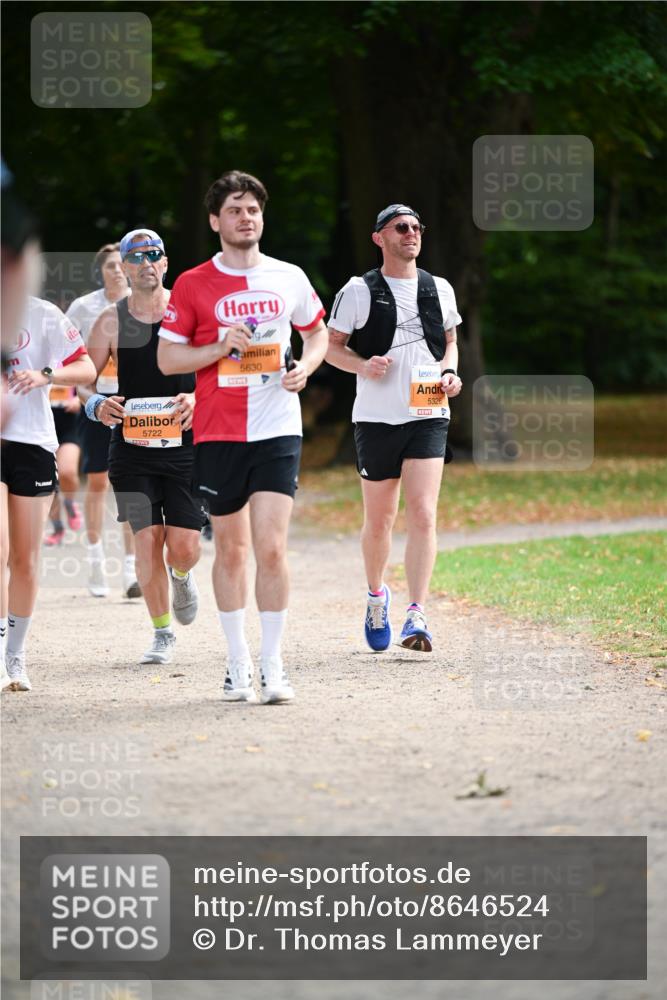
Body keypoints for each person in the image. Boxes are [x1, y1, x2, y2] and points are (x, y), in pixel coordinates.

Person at [157, 170, 328, 704]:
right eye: (234, 210)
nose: (245, 217)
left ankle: (273, 664)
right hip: (218, 430)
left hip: (278, 425)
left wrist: (308, 368)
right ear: (215, 221)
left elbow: (316, 331)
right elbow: (167, 359)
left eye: (252, 209)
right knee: (231, 550)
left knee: (272, 548)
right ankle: (237, 663)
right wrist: (217, 348)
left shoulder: (289, 276)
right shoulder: (191, 284)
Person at [326, 204, 463, 653]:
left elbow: (450, 343)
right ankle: (376, 596)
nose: (411, 233)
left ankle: (417, 612)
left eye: (417, 227)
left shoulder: (439, 288)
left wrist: (449, 373)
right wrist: (365, 365)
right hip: (376, 417)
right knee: (380, 520)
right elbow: (331, 349)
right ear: (379, 238)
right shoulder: (358, 290)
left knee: (423, 512)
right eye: (400, 228)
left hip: (428, 414)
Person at [85, 229, 202, 665]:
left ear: (165, 263)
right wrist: (95, 403)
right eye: (137, 257)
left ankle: (183, 575)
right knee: (146, 540)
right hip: (131, 449)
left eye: (154, 255)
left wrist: (198, 398)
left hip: (186, 444)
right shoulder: (111, 321)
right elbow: (84, 378)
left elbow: (219, 367)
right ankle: (162, 632)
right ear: (125, 267)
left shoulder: (187, 311)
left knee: (184, 546)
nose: (146, 262)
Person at [1, 297, 96, 690]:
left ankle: (15, 656)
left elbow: (86, 367)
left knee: (25, 559)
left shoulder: (42, 314)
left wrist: (46, 374)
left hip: (33, 444)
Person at [68, 243, 139, 598]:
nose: (115, 271)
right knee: (97, 483)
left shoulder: (139, 304)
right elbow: (70, 356)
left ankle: (130, 571)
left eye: (119, 265)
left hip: (133, 405)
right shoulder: (83, 308)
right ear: (101, 271)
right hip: (97, 403)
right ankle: (96, 560)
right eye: (109, 266)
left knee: (128, 487)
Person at [43, 384, 83, 545]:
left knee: (67, 472)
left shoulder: (71, 360)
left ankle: (69, 502)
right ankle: (57, 528)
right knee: (49, 481)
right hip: (42, 427)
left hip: (68, 425)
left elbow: (90, 385)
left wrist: (78, 399)